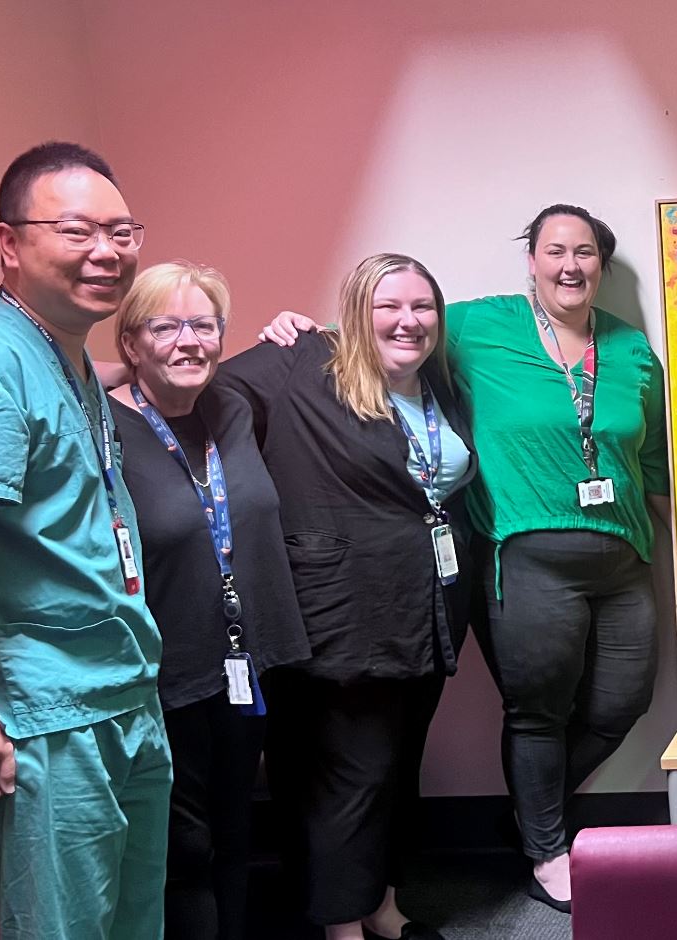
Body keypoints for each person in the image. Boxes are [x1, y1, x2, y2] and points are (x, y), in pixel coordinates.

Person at [261, 204, 666, 913]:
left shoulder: (631, 348)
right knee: (537, 709)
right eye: (554, 251)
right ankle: (546, 847)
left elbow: (655, 458)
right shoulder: (477, 327)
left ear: (601, 263)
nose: (570, 265)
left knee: (621, 701)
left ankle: (526, 810)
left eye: (585, 252)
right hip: (523, 555)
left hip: (624, 555)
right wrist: (296, 332)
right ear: (532, 260)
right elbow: (388, 335)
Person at [0, 141, 170, 938]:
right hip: (44, 713)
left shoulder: (68, 355)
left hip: (122, 691)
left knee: (134, 919)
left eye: (122, 231)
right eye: (77, 232)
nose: (106, 252)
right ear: (10, 243)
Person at [219, 253, 475, 940]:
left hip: (423, 613)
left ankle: (383, 906)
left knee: (395, 768)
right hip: (338, 614)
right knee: (345, 777)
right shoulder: (303, 362)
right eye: (388, 306)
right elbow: (207, 392)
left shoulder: (436, 387)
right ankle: (340, 926)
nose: (408, 320)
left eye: (422, 307)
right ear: (354, 312)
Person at [109, 261, 310, 940]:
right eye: (165, 327)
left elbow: (307, 346)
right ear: (130, 344)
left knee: (235, 829)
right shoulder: (100, 427)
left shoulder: (231, 402)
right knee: (184, 845)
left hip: (246, 661)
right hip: (166, 669)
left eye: (204, 325)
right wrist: (104, 374)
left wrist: (295, 325)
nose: (188, 341)